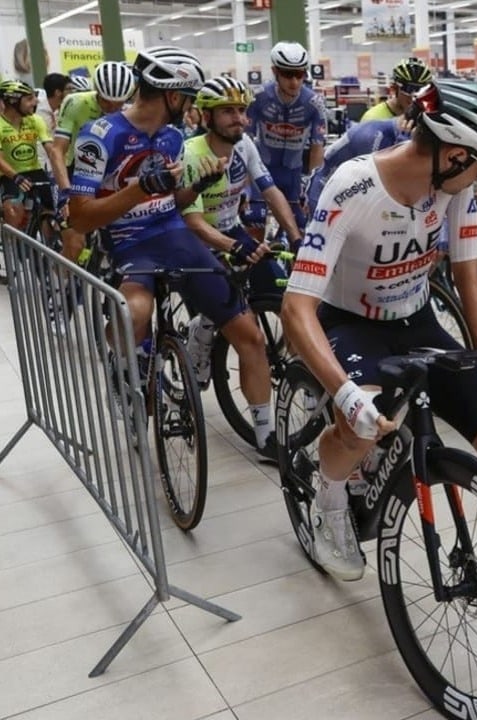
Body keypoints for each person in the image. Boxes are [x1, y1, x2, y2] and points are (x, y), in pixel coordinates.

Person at [281, 79, 477, 627]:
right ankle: (329, 503)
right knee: (358, 427)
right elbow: (296, 308)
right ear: (453, 154)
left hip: (417, 318)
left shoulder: (455, 187)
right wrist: (345, 393)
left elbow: (469, 277)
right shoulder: (353, 187)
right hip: (349, 321)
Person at [68, 46, 279, 461]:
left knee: (249, 335)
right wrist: (140, 188)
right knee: (135, 315)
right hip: (127, 241)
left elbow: (173, 201)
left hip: (174, 233)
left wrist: (198, 185)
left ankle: (266, 433)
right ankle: (123, 362)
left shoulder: (172, 137)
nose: (191, 109)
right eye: (188, 97)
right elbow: (80, 218)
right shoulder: (100, 136)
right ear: (171, 95)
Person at [180, 76, 303, 400]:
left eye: (241, 110)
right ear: (207, 117)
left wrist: (295, 236)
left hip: (232, 228)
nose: (238, 118)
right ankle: (200, 336)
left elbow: (270, 190)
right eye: (227, 111)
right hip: (198, 240)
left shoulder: (245, 144)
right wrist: (233, 246)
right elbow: (191, 221)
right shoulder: (191, 154)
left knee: (284, 296)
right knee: (221, 302)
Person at [49, 61, 137, 262]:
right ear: (96, 91)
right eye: (106, 102)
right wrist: (65, 193)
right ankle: (60, 287)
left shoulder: (132, 108)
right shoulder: (75, 102)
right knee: (76, 245)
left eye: (119, 103)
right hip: (74, 172)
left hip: (108, 173)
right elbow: (56, 151)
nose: (113, 108)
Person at [245, 41, 326, 231]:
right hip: (262, 171)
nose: (295, 82)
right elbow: (244, 143)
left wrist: (311, 185)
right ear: (275, 72)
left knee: (298, 228)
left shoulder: (314, 103)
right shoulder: (257, 98)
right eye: (288, 74)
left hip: (293, 175)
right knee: (254, 222)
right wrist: (244, 183)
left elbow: (317, 148)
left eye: (300, 74)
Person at [0, 80, 63, 230]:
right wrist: (15, 176)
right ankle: (15, 249)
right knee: (14, 212)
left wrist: (60, 171)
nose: (35, 102)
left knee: (51, 210)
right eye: (29, 98)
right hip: (8, 175)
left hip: (35, 171)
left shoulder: (35, 120)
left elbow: (51, 149)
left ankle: (46, 249)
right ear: (13, 101)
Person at [360, 57, 432, 121]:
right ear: (394, 88)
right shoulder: (373, 119)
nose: (414, 97)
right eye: (409, 89)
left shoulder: (425, 117)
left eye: (420, 90)